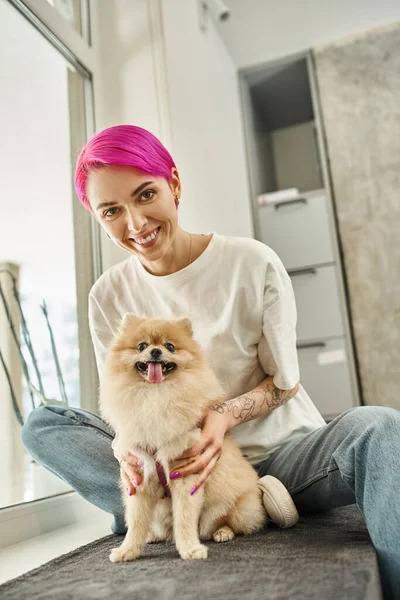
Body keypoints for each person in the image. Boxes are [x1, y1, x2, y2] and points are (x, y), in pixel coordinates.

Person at [21, 125, 399, 599]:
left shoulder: (251, 262)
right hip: (164, 457)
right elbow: (120, 397)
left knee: (380, 428)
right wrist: (123, 446)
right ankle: (158, 507)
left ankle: (239, 502)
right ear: (99, 220)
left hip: (279, 458)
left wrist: (222, 417)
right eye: (112, 211)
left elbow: (286, 383)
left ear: (174, 185)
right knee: (44, 425)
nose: (135, 223)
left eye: (146, 195)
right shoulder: (108, 296)